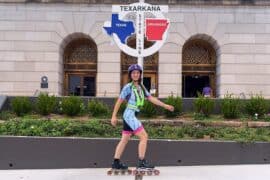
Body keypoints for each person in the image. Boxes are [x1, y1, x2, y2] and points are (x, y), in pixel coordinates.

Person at [110, 64, 174, 170]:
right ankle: (141, 162)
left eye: (138, 73)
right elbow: (119, 101)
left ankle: (116, 163)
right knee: (144, 136)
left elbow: (151, 98)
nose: (136, 74)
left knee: (125, 139)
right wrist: (113, 116)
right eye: (133, 73)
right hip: (129, 115)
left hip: (132, 115)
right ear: (130, 75)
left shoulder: (141, 87)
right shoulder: (128, 87)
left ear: (140, 74)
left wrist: (165, 105)